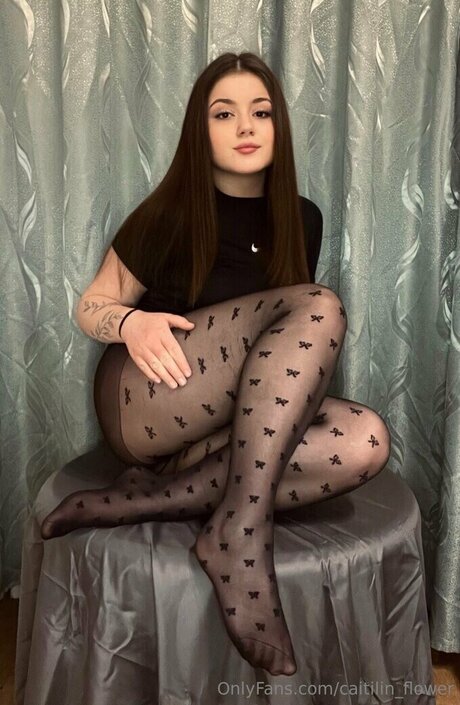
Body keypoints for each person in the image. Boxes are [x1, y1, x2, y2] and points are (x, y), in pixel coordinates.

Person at [40, 52, 391, 677]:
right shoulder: (169, 212)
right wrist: (130, 322)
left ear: (279, 127)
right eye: (224, 114)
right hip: (146, 399)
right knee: (320, 304)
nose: (245, 126)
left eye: (261, 112)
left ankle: (158, 499)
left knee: (365, 438)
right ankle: (240, 534)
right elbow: (90, 305)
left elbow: (286, 356)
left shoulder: (302, 217)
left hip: (221, 429)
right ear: (199, 131)